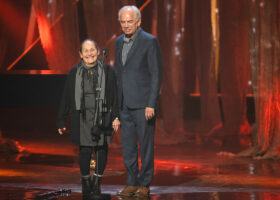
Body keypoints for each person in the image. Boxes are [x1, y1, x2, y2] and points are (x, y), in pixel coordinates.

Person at [57, 39, 120, 200]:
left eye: (92, 50)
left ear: (98, 52)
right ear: (80, 54)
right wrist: (61, 120)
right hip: (82, 117)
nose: (90, 53)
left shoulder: (108, 70)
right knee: (85, 150)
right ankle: (86, 183)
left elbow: (115, 95)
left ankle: (97, 183)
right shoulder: (74, 72)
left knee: (101, 149)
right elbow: (66, 97)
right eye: (86, 50)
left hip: (103, 116)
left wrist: (116, 116)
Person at [114, 5, 162, 198]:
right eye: (123, 22)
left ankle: (144, 184)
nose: (126, 25)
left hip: (143, 105)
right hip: (124, 104)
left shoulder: (149, 41)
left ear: (138, 21)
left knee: (146, 145)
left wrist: (151, 103)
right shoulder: (118, 42)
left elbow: (156, 74)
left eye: (129, 21)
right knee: (128, 147)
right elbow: (119, 72)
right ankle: (131, 183)